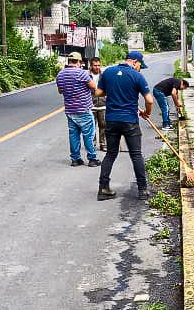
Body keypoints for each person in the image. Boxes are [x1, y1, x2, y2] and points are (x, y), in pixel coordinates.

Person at [94, 51, 154, 201]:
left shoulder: (108, 72)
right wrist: (146, 112)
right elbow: (150, 100)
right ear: (134, 62)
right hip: (129, 121)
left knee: (111, 154)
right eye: (140, 65)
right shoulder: (137, 76)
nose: (140, 68)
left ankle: (103, 189)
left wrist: (114, 91)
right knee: (136, 154)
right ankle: (142, 190)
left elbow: (98, 92)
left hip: (112, 120)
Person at [55, 51, 99, 167]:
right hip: (83, 109)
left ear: (68, 61)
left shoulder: (60, 75)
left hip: (70, 110)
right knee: (88, 135)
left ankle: (75, 159)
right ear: (79, 62)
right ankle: (92, 158)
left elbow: (60, 91)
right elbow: (94, 86)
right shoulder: (82, 73)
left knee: (73, 135)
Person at [88, 57, 108, 152]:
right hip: (90, 104)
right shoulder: (86, 76)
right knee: (92, 126)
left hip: (103, 104)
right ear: (91, 66)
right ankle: (93, 144)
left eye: (99, 65)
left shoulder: (104, 75)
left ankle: (103, 144)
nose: (97, 67)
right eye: (95, 65)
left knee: (103, 125)